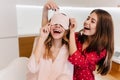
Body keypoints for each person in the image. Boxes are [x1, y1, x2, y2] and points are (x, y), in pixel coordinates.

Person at [27, 0, 73, 80]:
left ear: (66, 31)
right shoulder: (40, 42)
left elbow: (66, 76)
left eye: (62, 24)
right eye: (55, 23)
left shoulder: (68, 49)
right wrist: (41, 38)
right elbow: (32, 68)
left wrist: (72, 30)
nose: (58, 26)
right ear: (49, 26)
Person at [68, 9, 114, 80]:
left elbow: (76, 59)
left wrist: (71, 32)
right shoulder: (77, 37)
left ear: (101, 28)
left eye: (92, 21)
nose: (86, 22)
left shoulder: (101, 50)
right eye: (88, 18)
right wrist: (46, 11)